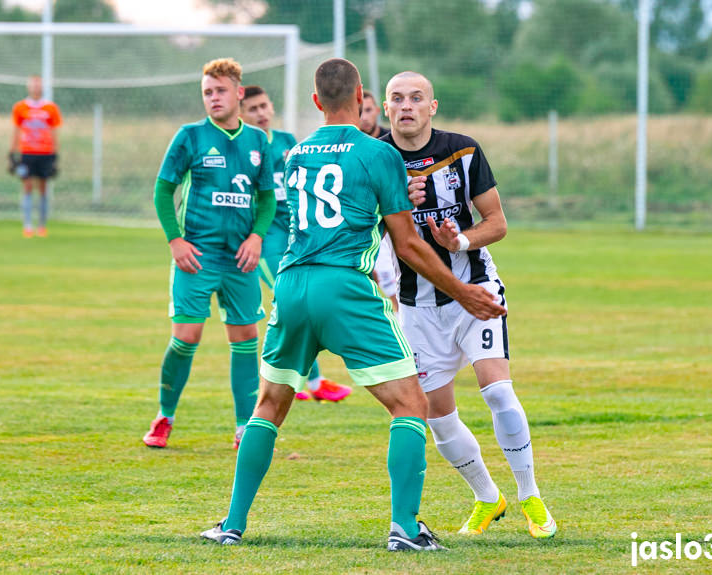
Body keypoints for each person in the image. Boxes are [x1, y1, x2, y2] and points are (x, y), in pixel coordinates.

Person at [200, 58, 506, 551]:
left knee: (269, 406)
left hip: (291, 285)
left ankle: (231, 525)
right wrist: (464, 290)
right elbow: (406, 244)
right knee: (410, 405)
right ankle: (406, 529)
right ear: (363, 97)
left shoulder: (296, 154)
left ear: (316, 101)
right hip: (344, 287)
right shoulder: (378, 152)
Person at [380, 71, 557, 539]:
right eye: (397, 99)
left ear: (432, 106)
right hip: (416, 305)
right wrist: (394, 204)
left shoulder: (462, 150)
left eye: (416, 98)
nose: (406, 107)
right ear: (385, 107)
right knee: (437, 417)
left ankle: (530, 495)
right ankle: (487, 497)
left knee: (497, 390)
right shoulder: (374, 157)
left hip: (473, 290)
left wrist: (460, 239)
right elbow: (362, 228)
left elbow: (496, 222)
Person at [141, 58, 275, 450]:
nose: (213, 98)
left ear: (238, 92)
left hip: (240, 260)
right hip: (196, 257)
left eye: (219, 91)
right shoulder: (190, 136)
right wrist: (175, 240)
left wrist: (257, 237)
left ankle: (243, 427)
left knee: (246, 337)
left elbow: (266, 199)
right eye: (207, 92)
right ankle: (165, 415)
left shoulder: (257, 142)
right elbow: (163, 190)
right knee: (186, 337)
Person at [240, 84, 352, 402]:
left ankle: (299, 380)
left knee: (299, 302)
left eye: (263, 106)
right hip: (266, 239)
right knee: (291, 302)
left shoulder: (289, 142)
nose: (260, 113)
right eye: (252, 109)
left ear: (271, 107)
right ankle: (308, 382)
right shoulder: (244, 147)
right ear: (241, 114)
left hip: (298, 234)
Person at [360, 92, 399, 314]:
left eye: (368, 110)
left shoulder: (391, 141)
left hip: (392, 218)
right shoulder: (354, 144)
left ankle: (399, 316)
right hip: (367, 220)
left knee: (393, 278)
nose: (364, 116)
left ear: (377, 110)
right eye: (359, 111)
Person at [10, 75, 61, 238]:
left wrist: (55, 155)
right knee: (27, 186)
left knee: (43, 188)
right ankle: (27, 225)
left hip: (45, 152)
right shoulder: (20, 107)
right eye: (33, 85)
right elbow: (16, 130)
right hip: (27, 152)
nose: (36, 87)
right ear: (28, 87)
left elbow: (54, 132)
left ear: (42, 88)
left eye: (38, 85)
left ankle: (42, 225)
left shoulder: (50, 108)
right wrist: (12, 153)